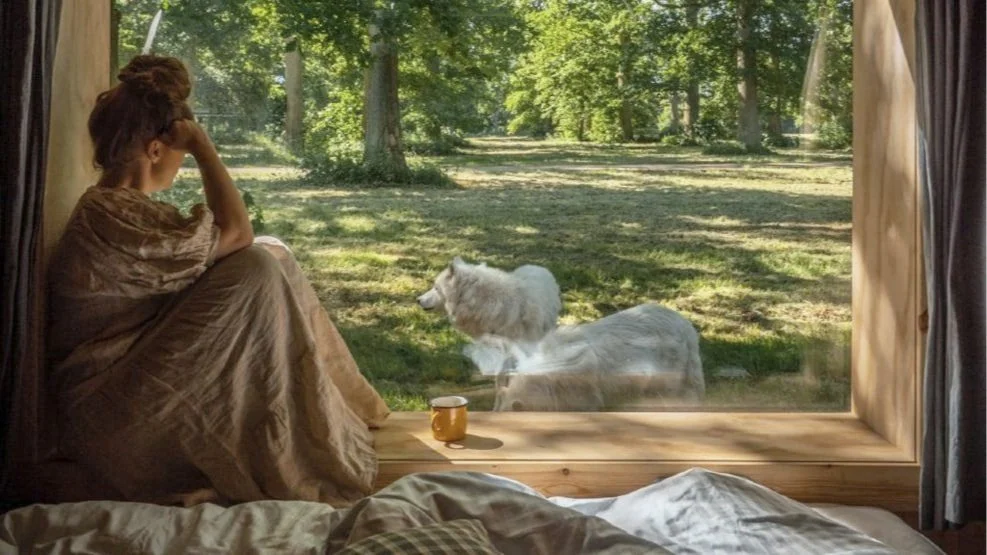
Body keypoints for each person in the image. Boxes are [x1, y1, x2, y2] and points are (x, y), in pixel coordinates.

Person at [46, 55, 389, 506]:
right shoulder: (113, 217)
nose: (182, 163)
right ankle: (293, 442)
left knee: (273, 253)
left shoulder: (118, 210)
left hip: (130, 383)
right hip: (111, 412)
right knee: (255, 267)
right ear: (155, 150)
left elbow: (233, 241)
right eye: (181, 153)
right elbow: (237, 234)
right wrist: (204, 147)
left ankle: (334, 413)